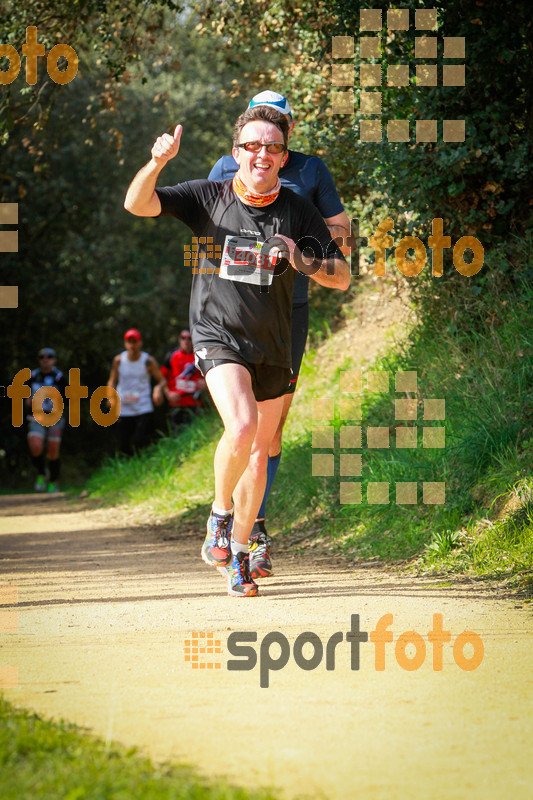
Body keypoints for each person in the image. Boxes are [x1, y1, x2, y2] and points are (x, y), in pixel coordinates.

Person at [124, 105, 350, 596]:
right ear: (236, 153)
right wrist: (157, 162)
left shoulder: (297, 209)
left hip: (272, 345)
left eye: (271, 147)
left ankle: (239, 554)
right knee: (242, 425)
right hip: (216, 335)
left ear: (283, 156)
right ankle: (219, 517)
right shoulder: (208, 197)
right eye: (252, 146)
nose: (261, 154)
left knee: (257, 458)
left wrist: (300, 258)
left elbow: (343, 276)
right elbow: (137, 205)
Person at [209, 90, 351, 578]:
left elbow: (339, 231)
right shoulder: (224, 169)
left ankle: (254, 524)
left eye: (278, 126)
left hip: (289, 309)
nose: (264, 147)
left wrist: (314, 260)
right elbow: (206, 230)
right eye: (256, 130)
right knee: (242, 426)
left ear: (288, 130)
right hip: (233, 312)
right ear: (242, 136)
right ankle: (231, 527)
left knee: (269, 435)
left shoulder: (310, 170)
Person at [107, 328, 165, 455]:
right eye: (129, 341)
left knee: (140, 441)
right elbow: (112, 380)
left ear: (140, 343)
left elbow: (162, 380)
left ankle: (144, 465)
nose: (132, 345)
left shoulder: (148, 361)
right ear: (125, 343)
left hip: (142, 406)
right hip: (124, 407)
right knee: (123, 445)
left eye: (135, 341)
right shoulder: (119, 360)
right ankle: (127, 469)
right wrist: (110, 396)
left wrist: (157, 389)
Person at [26, 347, 67, 493]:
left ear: (54, 360)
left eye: (49, 356)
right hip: (36, 417)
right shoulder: (32, 376)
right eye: (42, 357)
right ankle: (42, 473)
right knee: (35, 447)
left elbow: (67, 398)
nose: (45, 359)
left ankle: (53, 481)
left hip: (55, 417)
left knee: (53, 451)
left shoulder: (59, 377)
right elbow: (25, 395)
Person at [160, 327, 205, 432]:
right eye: (183, 338)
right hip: (176, 403)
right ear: (179, 339)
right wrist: (167, 393)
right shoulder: (171, 356)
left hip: (194, 402)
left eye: (189, 338)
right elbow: (161, 377)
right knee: (176, 435)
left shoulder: (201, 356)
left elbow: (211, 375)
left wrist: (206, 383)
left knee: (196, 433)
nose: (186, 341)